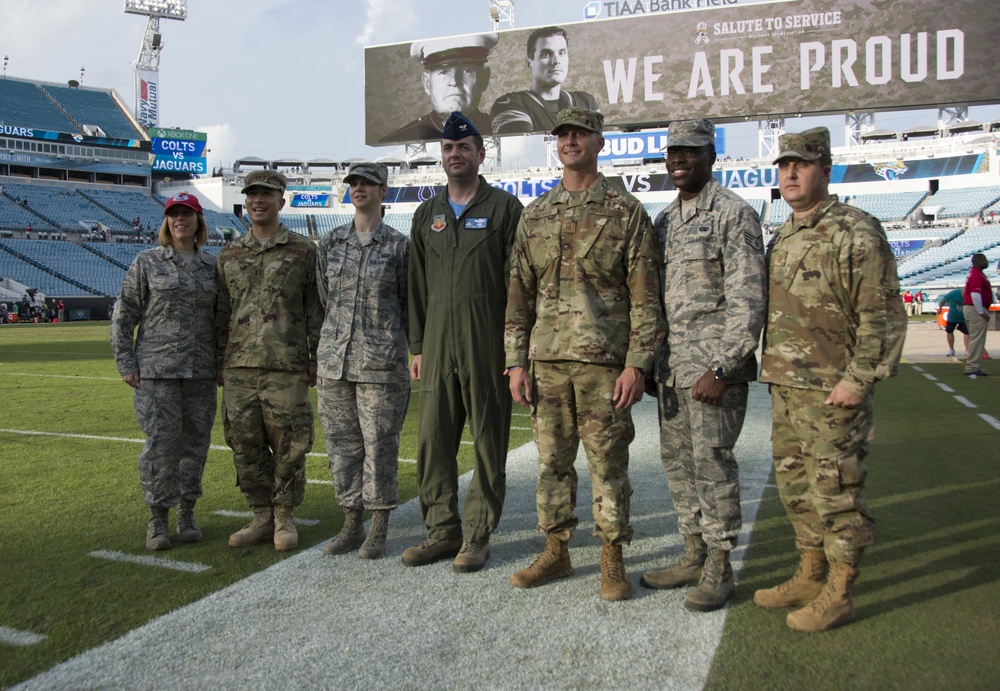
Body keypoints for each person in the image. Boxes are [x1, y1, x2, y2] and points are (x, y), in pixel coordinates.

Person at [505, 108, 663, 601]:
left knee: (607, 464)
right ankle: (556, 549)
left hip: (604, 365)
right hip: (548, 362)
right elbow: (518, 293)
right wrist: (514, 361)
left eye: (579, 134)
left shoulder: (625, 211)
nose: (570, 141)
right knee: (551, 463)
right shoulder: (536, 214)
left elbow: (645, 296)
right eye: (563, 135)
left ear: (599, 141)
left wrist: (638, 363)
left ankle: (611, 556)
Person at [756, 128, 906, 632]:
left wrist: (858, 381)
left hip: (832, 392)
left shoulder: (855, 230)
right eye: (784, 166)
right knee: (796, 488)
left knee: (837, 491)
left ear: (826, 169)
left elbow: (881, 315)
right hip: (788, 388)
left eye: (802, 164)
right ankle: (810, 572)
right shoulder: (785, 233)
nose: (791, 174)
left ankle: (839, 591)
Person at [638, 119, 767, 612]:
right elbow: (657, 299)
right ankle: (692, 552)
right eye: (672, 152)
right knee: (679, 467)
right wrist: (651, 362)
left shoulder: (733, 214)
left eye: (689, 151)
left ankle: (719, 565)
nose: (678, 160)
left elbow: (749, 297)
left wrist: (725, 366)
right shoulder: (666, 220)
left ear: (710, 156)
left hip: (712, 373)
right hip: (672, 372)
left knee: (713, 465)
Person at [404, 111, 523, 573]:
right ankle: (441, 530)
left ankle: (476, 536)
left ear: (480, 153)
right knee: (433, 439)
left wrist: (515, 353)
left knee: (488, 440)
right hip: (436, 342)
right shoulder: (426, 214)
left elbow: (519, 284)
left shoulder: (505, 209)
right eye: (449, 148)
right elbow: (415, 285)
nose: (456, 154)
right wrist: (417, 346)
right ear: (442, 156)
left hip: (486, 341)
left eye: (464, 147)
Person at [215, 170, 323, 551]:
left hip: (286, 366)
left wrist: (314, 359)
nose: (258, 200)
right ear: (245, 201)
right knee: (244, 443)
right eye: (252, 194)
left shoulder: (303, 251)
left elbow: (315, 308)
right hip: (239, 367)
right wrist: (219, 362)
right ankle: (260, 514)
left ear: (282, 200)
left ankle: (284, 516)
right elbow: (220, 312)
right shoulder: (229, 253)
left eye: (266, 193)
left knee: (290, 444)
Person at [109, 192, 218, 551]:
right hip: (157, 373)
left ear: (199, 221)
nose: (180, 220)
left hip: (201, 373)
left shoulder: (211, 268)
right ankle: (157, 519)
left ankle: (187, 513)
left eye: (187, 214)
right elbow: (124, 315)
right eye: (174, 214)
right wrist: (126, 362)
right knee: (160, 446)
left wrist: (220, 364)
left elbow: (222, 322)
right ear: (166, 222)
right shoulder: (148, 262)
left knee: (196, 446)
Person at [316, 162, 410, 560]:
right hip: (334, 363)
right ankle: (351, 524)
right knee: (342, 447)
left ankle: (380, 526)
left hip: (381, 366)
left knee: (380, 447)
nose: (358, 189)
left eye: (367, 184)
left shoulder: (400, 247)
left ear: (382, 192)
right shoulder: (330, 244)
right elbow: (325, 298)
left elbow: (409, 303)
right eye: (353, 183)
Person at [380, 34, 498, 144]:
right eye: (443, 72)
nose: (454, 82)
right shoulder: (400, 139)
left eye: (466, 71)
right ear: (427, 83)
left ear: (484, 79)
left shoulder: (500, 129)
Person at [490, 26, 599, 135]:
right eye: (546, 54)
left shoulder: (586, 102)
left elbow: (600, 146)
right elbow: (526, 149)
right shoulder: (510, 104)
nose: (556, 61)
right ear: (530, 63)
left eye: (561, 53)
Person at [963, 253, 993, 378]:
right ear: (978, 261)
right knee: (977, 339)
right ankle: (972, 367)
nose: (986, 262)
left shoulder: (975, 273)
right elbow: (975, 295)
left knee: (977, 338)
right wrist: (981, 312)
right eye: (984, 260)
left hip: (972, 308)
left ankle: (974, 366)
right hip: (975, 309)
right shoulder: (976, 274)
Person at [938, 288, 969, 357]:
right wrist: (940, 308)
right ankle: (951, 349)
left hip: (964, 318)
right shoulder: (954, 293)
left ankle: (967, 350)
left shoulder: (970, 296)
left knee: (967, 333)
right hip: (952, 317)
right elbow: (943, 300)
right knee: (949, 331)